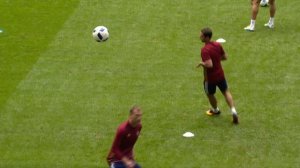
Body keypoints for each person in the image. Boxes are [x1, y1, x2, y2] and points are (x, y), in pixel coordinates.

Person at [196, 27, 239, 124]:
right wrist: (216, 59)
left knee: (210, 94)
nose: (200, 36)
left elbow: (209, 65)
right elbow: (224, 57)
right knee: (226, 92)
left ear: (207, 37)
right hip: (220, 75)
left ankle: (215, 110)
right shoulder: (217, 45)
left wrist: (202, 63)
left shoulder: (204, 50)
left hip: (210, 78)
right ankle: (233, 111)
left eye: (201, 35)